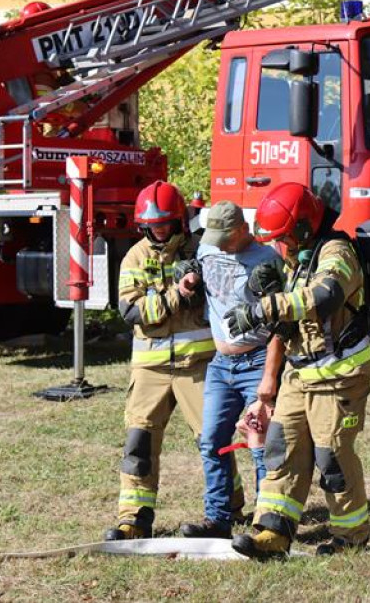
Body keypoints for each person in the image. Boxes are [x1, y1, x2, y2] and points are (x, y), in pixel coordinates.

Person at [226, 183, 370, 559]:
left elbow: (325, 296)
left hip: (339, 377)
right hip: (299, 375)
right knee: (282, 449)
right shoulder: (298, 260)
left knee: (332, 459)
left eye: (285, 238)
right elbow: (294, 323)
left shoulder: (336, 252)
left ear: (306, 228)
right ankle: (272, 532)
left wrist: (266, 308)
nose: (281, 246)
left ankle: (350, 537)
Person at [103, 181, 247, 541]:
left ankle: (230, 506)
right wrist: (177, 294)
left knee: (213, 440)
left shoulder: (202, 250)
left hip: (198, 367)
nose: (160, 231)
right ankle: (133, 518)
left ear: (180, 221)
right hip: (150, 369)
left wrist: (203, 285)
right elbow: (131, 310)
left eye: (166, 224)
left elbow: (227, 293)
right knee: (139, 442)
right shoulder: (135, 256)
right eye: (153, 225)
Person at [179, 200, 282, 539]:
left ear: (243, 229)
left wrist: (270, 374)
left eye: (226, 236)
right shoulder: (208, 247)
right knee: (211, 441)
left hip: (256, 360)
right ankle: (219, 519)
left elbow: (283, 323)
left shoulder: (267, 260)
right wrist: (188, 277)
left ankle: (265, 522)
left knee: (260, 444)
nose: (219, 243)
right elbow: (195, 267)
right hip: (221, 364)